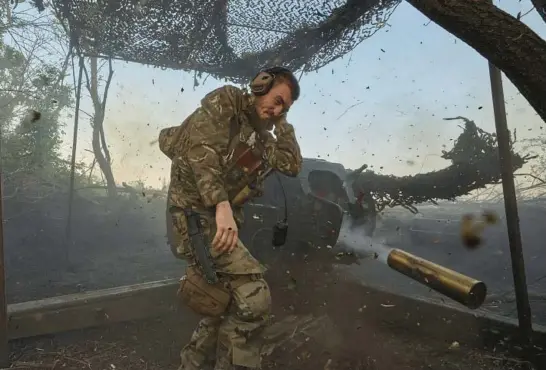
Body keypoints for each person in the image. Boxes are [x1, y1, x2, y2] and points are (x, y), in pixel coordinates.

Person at [158, 67, 303, 370]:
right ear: (260, 84)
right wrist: (222, 204)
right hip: (193, 217)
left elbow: (291, 164)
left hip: (215, 222)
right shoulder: (227, 101)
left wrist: (282, 123)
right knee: (254, 298)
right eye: (276, 99)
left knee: (225, 302)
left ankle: (193, 364)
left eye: (283, 107)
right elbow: (203, 151)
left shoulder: (262, 139)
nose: (275, 108)